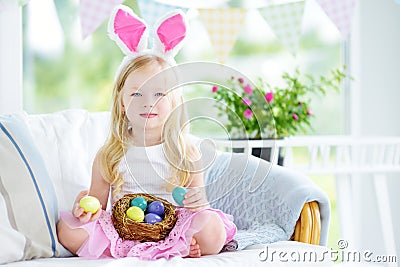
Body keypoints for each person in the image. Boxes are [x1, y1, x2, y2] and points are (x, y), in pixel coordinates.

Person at [56, 5, 236, 260]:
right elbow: (97, 205)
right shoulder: (110, 154)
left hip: (172, 228)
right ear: (121, 102)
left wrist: (199, 203)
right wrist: (85, 209)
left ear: (174, 101)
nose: (147, 102)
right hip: (124, 230)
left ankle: (182, 245)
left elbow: (200, 204)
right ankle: (147, 249)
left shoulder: (186, 152)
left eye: (159, 93)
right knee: (68, 229)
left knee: (212, 229)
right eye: (136, 93)